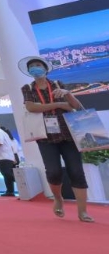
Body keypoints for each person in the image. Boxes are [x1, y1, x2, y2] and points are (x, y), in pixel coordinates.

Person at [19, 55, 92, 222]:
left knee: (76, 171)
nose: (35, 68)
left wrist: (67, 94)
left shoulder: (58, 84)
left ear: (46, 68)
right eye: (32, 66)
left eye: (38, 65)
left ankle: (82, 211)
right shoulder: (27, 88)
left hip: (68, 134)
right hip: (45, 137)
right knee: (53, 171)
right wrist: (58, 104)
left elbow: (75, 106)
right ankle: (58, 198)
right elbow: (31, 107)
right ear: (29, 71)